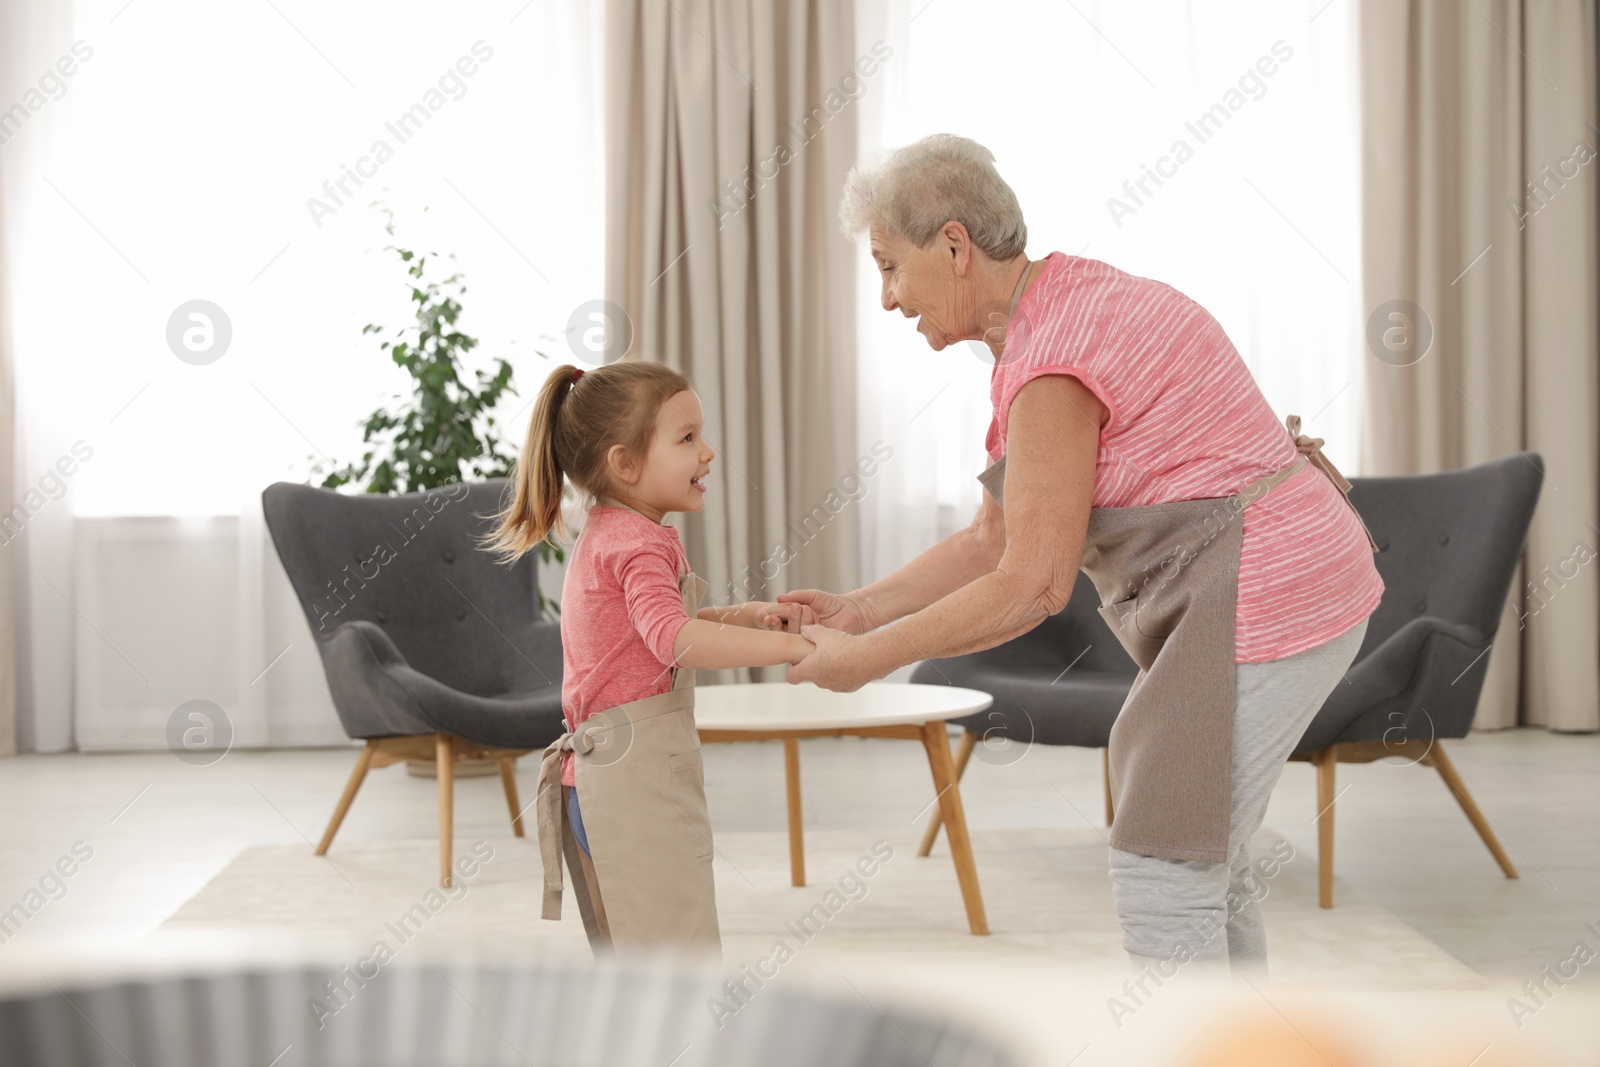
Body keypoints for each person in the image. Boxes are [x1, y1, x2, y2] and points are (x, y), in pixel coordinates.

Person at [782, 134, 1384, 978]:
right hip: (1278, 578)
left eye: (888, 266)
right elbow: (993, 538)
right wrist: (858, 609)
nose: (886, 297)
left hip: (1270, 592)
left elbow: (1030, 585)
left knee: (1164, 859)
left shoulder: (1051, 363)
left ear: (953, 246)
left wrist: (867, 661)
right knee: (1202, 852)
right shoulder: (1055, 310)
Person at [481, 360, 817, 959]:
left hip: (605, 779)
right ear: (625, 464)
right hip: (630, 789)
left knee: (639, 959)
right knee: (676, 959)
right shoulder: (637, 544)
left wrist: (745, 617)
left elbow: (654, 636)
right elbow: (672, 640)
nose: (708, 452)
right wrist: (789, 648)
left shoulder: (612, 531)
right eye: (687, 439)